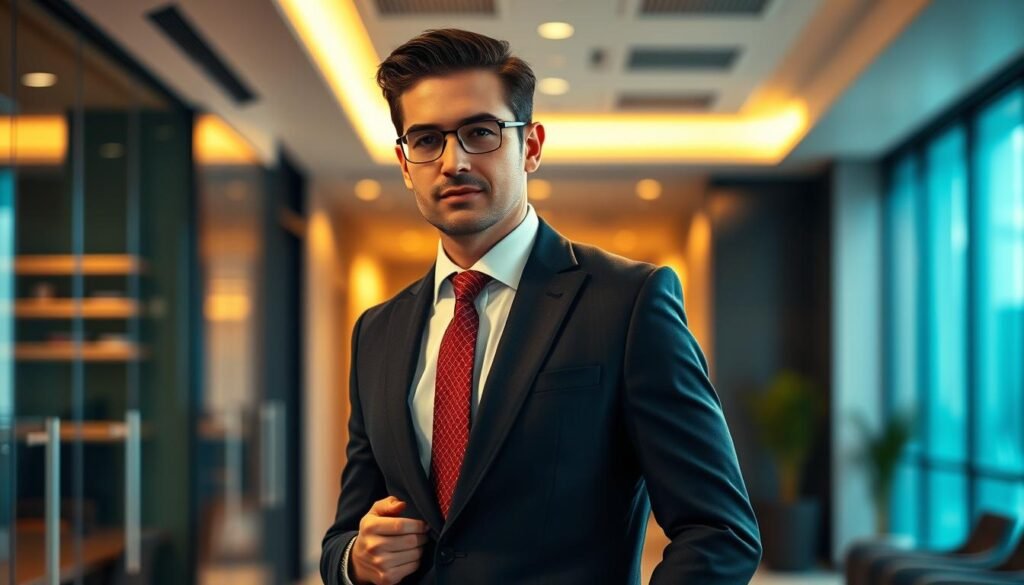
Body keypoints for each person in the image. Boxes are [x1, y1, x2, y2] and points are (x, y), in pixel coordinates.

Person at [321, 28, 761, 585]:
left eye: (480, 132)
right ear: (405, 164)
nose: (453, 161)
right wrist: (353, 560)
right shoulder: (377, 331)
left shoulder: (628, 302)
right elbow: (346, 531)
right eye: (427, 140)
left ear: (529, 146)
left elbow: (720, 532)